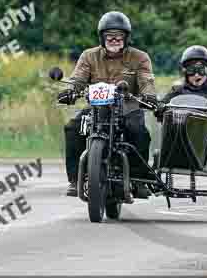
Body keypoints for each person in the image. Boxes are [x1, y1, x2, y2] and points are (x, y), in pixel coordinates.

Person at [57, 11, 158, 197]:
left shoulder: (140, 57)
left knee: (139, 131)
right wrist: (70, 91)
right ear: (102, 37)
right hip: (97, 108)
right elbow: (78, 78)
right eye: (109, 36)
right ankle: (75, 180)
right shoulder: (89, 56)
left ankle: (138, 179)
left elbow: (146, 81)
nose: (114, 39)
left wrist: (149, 96)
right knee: (72, 127)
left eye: (119, 36)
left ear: (126, 37)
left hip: (128, 107)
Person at [159, 46, 207, 123]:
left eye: (201, 70)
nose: (196, 75)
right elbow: (161, 106)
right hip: (179, 131)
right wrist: (160, 107)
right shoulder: (177, 90)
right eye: (191, 70)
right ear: (185, 72)